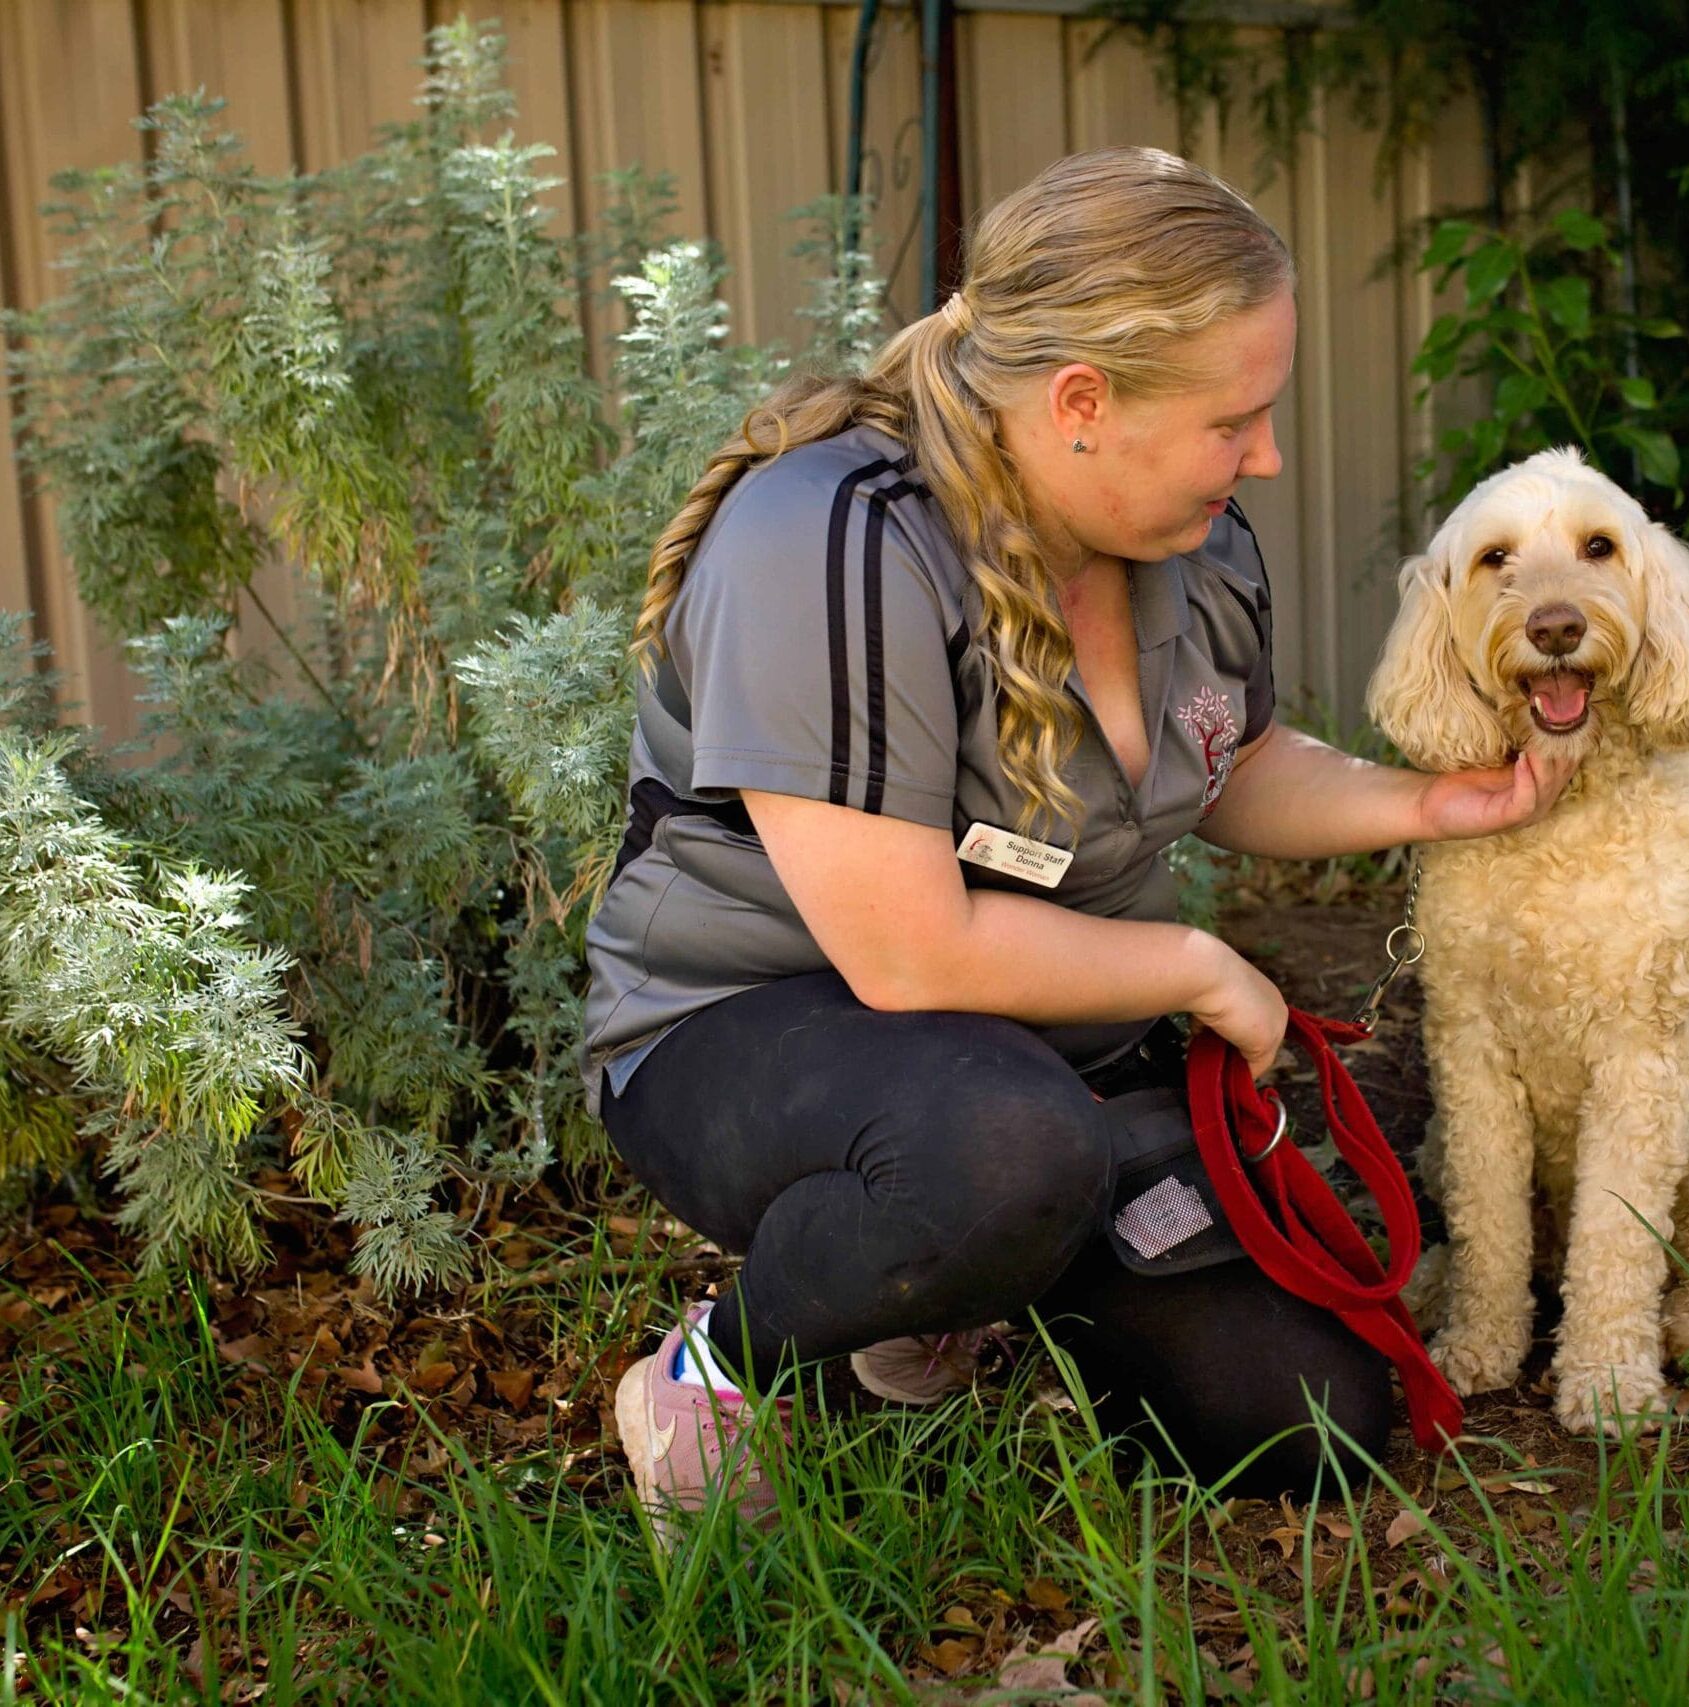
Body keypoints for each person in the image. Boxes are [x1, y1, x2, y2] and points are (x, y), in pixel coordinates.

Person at [589, 146, 1574, 1542]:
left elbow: (1228, 763)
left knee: (1305, 1420)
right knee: (1000, 1155)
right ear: (1081, 403)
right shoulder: (834, 539)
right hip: (755, 1025)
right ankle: (718, 1371)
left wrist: (1422, 802)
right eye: (1234, 419)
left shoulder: (1192, 538)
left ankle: (947, 1282)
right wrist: (1193, 967)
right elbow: (906, 953)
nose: (1265, 456)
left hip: (1042, 1044)